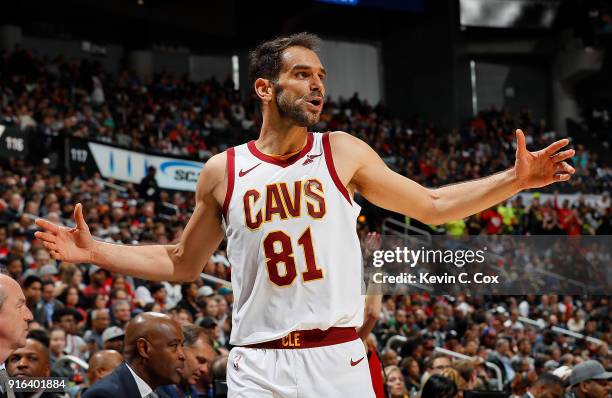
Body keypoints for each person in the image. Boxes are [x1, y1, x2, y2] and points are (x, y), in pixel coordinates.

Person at [34, 33, 576, 398]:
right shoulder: (224, 170)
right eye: (301, 74)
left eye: (320, 75)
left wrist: (516, 180)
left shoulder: (341, 150)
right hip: (258, 365)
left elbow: (432, 205)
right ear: (265, 89)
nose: (317, 85)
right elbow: (182, 263)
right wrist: (95, 251)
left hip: (336, 357)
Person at [82, 312, 185, 398]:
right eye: (174, 345)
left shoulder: (160, 394)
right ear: (143, 348)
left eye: (182, 346)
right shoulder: (104, 395)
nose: (182, 355)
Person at [156, 324, 217, 398]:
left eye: (208, 365)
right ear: (181, 349)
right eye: (200, 360)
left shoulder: (190, 390)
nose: (205, 370)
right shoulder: (157, 386)